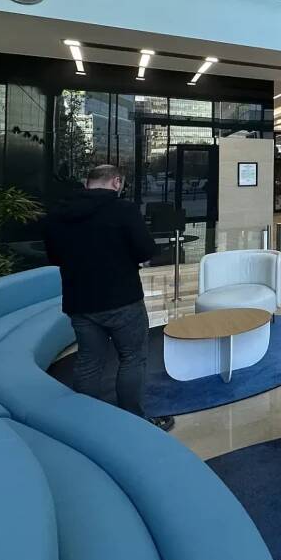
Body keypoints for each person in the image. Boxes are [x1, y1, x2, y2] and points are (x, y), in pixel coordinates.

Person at [42, 164, 175, 432]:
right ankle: (133, 421)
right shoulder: (123, 210)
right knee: (132, 358)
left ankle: (87, 424)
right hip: (122, 299)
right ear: (116, 182)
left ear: (87, 183)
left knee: (89, 361)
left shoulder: (58, 214)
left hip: (79, 301)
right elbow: (145, 250)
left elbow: (54, 256)